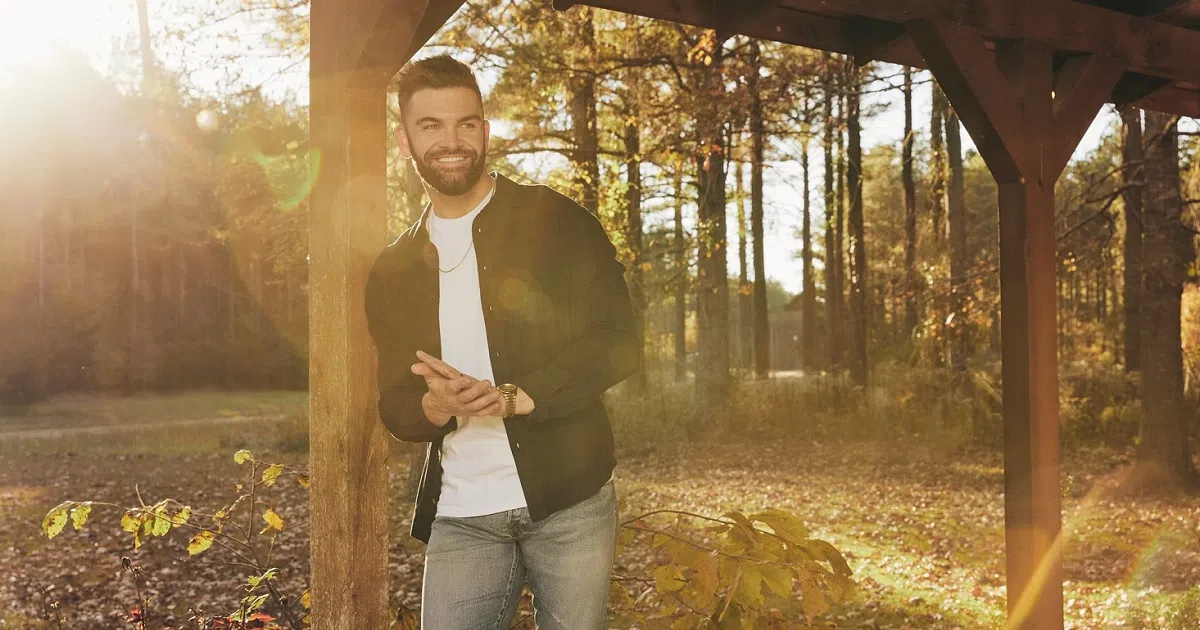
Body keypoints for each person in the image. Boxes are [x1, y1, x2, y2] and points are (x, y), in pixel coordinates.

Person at [364, 54, 642, 630]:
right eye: (431, 126)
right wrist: (434, 406)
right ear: (405, 141)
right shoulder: (393, 271)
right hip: (462, 513)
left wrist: (523, 395)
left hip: (571, 500)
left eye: (466, 123)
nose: (452, 141)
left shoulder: (557, 221)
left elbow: (618, 338)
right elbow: (395, 403)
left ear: (485, 131)